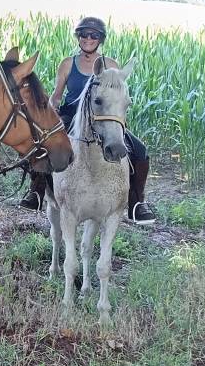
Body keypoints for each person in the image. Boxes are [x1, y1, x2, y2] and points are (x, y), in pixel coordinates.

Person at [20, 16, 156, 225]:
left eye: (94, 35)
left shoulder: (111, 65)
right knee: (41, 144)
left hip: (103, 116)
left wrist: (119, 120)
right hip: (71, 115)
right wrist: (52, 111)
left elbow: (118, 97)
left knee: (140, 151)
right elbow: (57, 95)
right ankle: (37, 191)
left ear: (100, 39)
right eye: (84, 34)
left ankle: (137, 202)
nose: (88, 38)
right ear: (78, 37)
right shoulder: (68, 64)